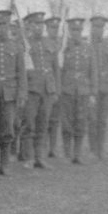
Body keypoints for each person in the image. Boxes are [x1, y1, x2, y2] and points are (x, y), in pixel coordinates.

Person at [0, 10, 27, 176]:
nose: (1, 28)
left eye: (5, 24)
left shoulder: (16, 46)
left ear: (9, 26)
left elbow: (21, 73)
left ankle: (5, 164)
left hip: (10, 94)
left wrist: (22, 94)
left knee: (8, 128)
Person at [19, 12, 59, 169]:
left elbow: (55, 69)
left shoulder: (50, 43)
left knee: (43, 124)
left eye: (41, 24)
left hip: (47, 90)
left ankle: (39, 158)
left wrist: (55, 90)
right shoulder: (24, 44)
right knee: (29, 124)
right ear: (29, 25)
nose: (39, 27)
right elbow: (20, 70)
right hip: (31, 90)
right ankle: (28, 158)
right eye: (36, 24)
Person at [60, 18, 98, 164]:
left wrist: (93, 93)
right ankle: (67, 153)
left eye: (79, 30)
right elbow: (59, 70)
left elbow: (93, 71)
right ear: (69, 31)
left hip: (83, 90)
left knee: (81, 121)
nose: (76, 33)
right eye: (73, 30)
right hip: (67, 89)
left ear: (82, 31)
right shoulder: (64, 47)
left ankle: (77, 154)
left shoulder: (88, 48)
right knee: (67, 122)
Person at [88, 15, 108, 159]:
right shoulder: (87, 46)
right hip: (91, 89)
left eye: (100, 27)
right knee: (92, 120)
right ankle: (92, 149)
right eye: (95, 27)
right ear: (91, 28)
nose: (98, 30)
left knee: (102, 120)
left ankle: (100, 149)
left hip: (107, 88)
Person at [44, 16, 64, 158]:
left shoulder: (63, 43)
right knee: (45, 117)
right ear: (47, 28)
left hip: (63, 85)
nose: (54, 30)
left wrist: (59, 89)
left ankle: (53, 148)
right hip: (49, 86)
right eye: (52, 27)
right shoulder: (45, 44)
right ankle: (44, 147)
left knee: (55, 119)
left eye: (56, 28)